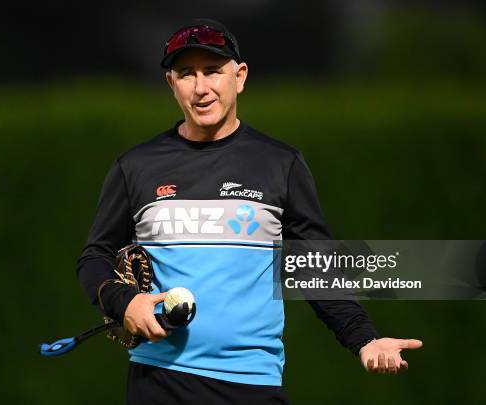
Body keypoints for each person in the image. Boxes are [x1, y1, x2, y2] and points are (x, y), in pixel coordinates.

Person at [77, 18, 422, 405]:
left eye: (213, 71)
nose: (201, 87)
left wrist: (365, 339)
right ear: (172, 84)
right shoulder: (136, 167)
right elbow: (95, 257)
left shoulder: (280, 163)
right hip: (158, 383)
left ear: (239, 77)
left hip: (252, 386)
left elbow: (315, 268)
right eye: (187, 74)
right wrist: (123, 301)